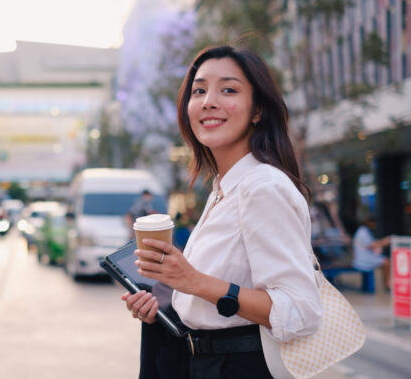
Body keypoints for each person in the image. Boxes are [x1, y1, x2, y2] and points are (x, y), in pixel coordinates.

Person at [120, 45, 321, 378]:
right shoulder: (223, 190)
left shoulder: (262, 187)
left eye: (228, 89)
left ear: (257, 110)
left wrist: (194, 281)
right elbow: (211, 298)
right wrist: (163, 307)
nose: (208, 101)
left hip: (240, 367)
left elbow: (301, 311)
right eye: (199, 90)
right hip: (203, 361)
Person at [352, 216, 391, 289]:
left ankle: (387, 283)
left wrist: (382, 242)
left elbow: (371, 244)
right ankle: (387, 284)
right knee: (386, 262)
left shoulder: (363, 231)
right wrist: (384, 242)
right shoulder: (363, 232)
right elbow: (372, 246)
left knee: (385, 260)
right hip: (363, 260)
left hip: (364, 257)